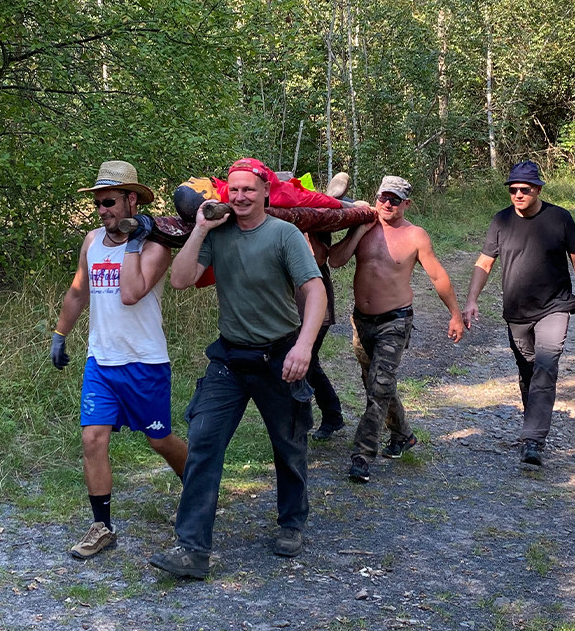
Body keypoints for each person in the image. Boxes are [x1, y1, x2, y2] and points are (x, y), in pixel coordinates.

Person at [149, 157, 326, 579]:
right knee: (203, 441)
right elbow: (181, 279)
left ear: (265, 192)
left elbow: (315, 290)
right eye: (235, 190)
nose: (242, 196)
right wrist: (200, 229)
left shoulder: (284, 234)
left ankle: (292, 523)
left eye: (250, 189)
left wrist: (304, 347)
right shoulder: (217, 232)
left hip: (279, 355)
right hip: (229, 358)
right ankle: (192, 550)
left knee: (289, 444)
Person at [51, 160, 188, 560]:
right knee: (92, 438)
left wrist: (133, 242)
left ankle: (197, 487)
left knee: (159, 440)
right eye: (97, 203)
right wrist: (60, 334)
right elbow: (79, 291)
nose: (102, 210)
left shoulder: (156, 246)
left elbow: (130, 294)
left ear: (132, 200)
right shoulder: (92, 241)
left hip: (144, 362)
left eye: (109, 202)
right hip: (101, 361)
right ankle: (102, 527)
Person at [461, 161, 575, 466]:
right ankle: (532, 424)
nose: (518, 195)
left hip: (555, 307)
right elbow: (484, 262)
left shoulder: (559, 218)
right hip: (517, 312)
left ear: (537, 189)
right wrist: (471, 301)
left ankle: (533, 440)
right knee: (528, 371)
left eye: (524, 189)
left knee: (546, 365)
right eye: (513, 190)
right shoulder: (501, 221)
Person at [328, 175, 465, 483]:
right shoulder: (363, 225)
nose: (387, 204)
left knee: (379, 387)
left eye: (394, 200)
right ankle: (403, 434)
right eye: (383, 198)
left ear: (406, 204)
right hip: (361, 321)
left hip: (395, 321)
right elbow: (335, 260)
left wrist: (455, 314)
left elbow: (438, 276)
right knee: (375, 384)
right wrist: (358, 230)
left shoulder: (415, 236)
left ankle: (362, 455)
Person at [298, 232, 345, 441]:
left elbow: (318, 257)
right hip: (291, 308)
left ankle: (298, 425)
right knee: (309, 364)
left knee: (303, 367)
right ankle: (332, 414)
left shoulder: (315, 223)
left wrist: (303, 228)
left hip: (316, 310)